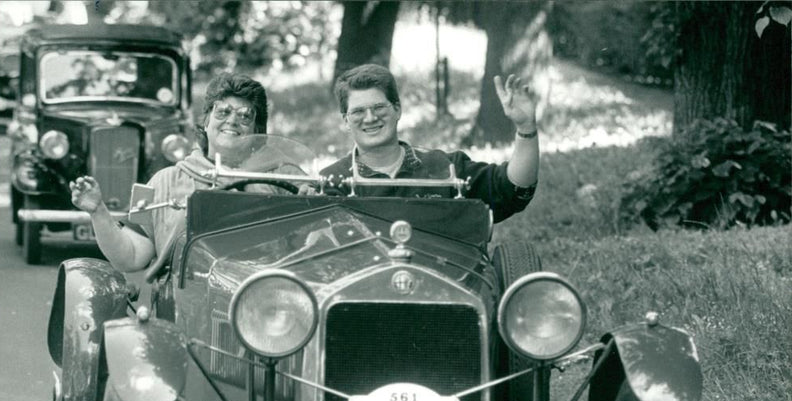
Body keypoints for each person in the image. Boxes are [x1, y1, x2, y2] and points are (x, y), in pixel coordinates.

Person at [70, 73, 291, 273]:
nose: (232, 120)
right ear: (206, 121)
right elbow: (132, 257)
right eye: (222, 111)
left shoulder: (283, 180)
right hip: (183, 305)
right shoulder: (162, 181)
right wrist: (98, 212)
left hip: (262, 305)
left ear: (258, 130)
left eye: (245, 116)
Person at [320, 64, 539, 223]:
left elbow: (513, 189)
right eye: (358, 111)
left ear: (397, 109)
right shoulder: (330, 183)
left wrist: (526, 128)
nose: (369, 118)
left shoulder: (446, 168)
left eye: (379, 107)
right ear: (346, 121)